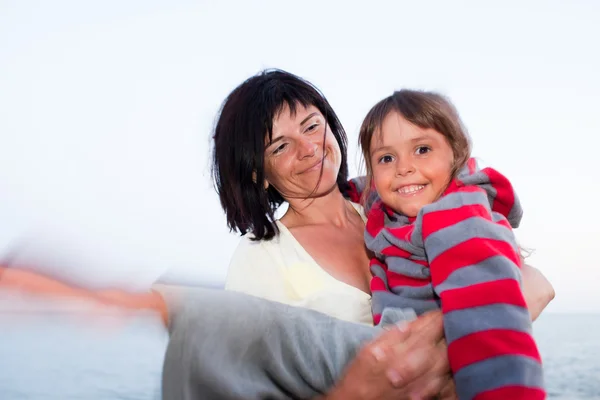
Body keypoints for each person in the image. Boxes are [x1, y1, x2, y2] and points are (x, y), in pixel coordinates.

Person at [0, 69, 555, 400]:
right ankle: (124, 301)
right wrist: (354, 392)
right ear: (256, 173)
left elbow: (529, 277)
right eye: (280, 145)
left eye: (313, 126)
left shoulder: (389, 194)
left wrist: (455, 343)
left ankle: (129, 301)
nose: (309, 149)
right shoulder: (264, 259)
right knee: (225, 325)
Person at [356, 90, 544, 399]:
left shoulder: (455, 216)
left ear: (456, 154)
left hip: (441, 370)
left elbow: (488, 318)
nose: (403, 168)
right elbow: (363, 187)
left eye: (422, 149)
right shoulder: (394, 204)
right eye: (386, 158)